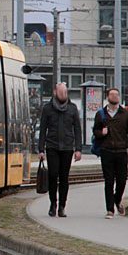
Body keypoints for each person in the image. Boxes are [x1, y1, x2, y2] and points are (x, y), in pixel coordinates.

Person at [36, 82, 82, 218]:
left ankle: (62, 206)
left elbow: (77, 129)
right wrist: (41, 149)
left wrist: (78, 149)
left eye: (65, 93)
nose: (63, 95)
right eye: (61, 93)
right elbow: (43, 129)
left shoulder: (72, 108)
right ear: (55, 92)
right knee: (52, 175)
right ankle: (53, 204)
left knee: (64, 178)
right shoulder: (48, 108)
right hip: (52, 147)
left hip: (67, 147)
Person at [92, 88, 128, 219]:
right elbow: (95, 131)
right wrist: (101, 133)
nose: (115, 97)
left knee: (122, 180)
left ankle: (117, 200)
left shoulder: (125, 113)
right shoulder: (101, 114)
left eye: (117, 95)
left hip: (121, 151)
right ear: (107, 97)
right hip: (106, 151)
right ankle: (110, 209)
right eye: (112, 94)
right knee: (109, 181)